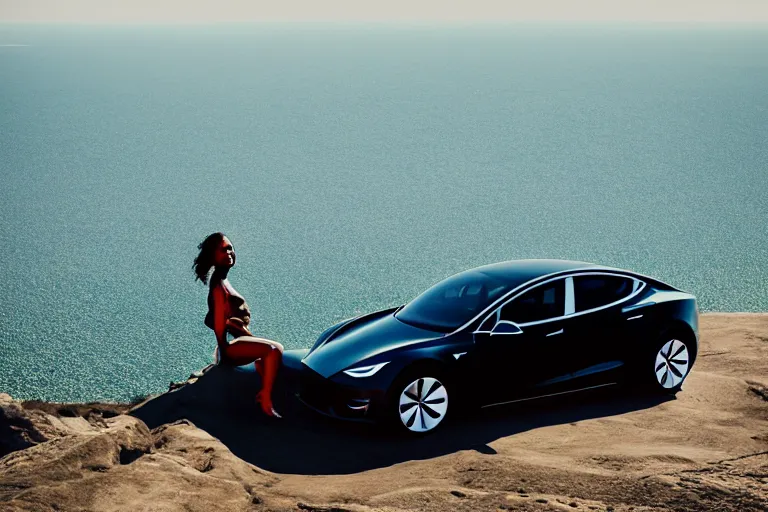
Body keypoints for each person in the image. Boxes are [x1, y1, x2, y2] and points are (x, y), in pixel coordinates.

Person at [192, 232, 283, 418]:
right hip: (229, 348)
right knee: (273, 350)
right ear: (213, 256)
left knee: (276, 350)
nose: (229, 253)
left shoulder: (223, 280)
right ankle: (264, 398)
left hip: (237, 338)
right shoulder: (218, 286)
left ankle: (262, 385)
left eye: (230, 248)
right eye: (223, 250)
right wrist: (224, 353)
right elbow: (218, 322)